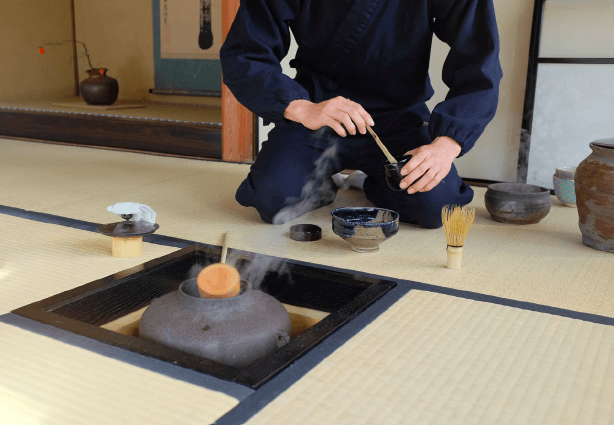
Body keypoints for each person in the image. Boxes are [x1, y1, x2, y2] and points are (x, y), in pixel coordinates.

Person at [220, 0, 502, 228]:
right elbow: (246, 54)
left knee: (436, 205)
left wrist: (446, 144)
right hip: (319, 114)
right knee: (273, 198)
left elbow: (479, 60)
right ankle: (320, 184)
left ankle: (373, 182)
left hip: (398, 118)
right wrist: (302, 108)